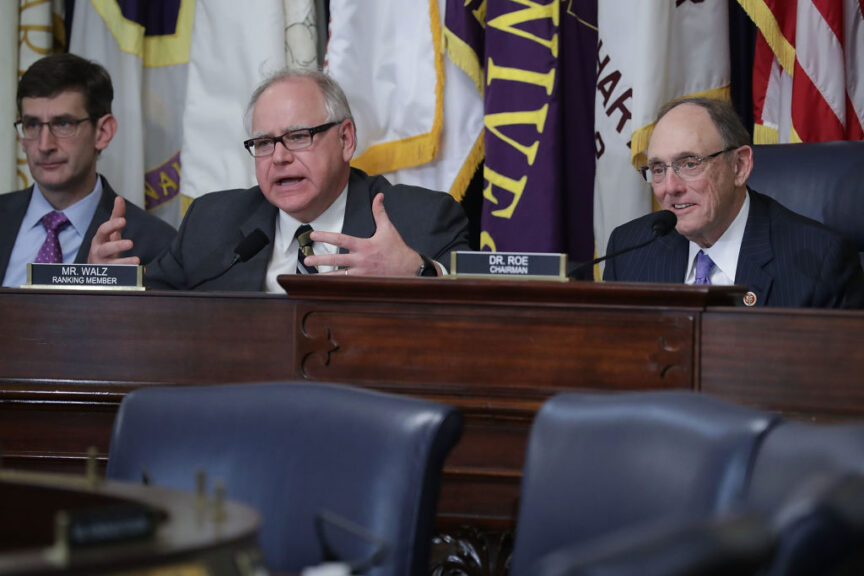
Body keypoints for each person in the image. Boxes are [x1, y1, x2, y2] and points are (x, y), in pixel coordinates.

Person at [90, 67, 471, 291]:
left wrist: (420, 273)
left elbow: (486, 308)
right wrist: (105, 283)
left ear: (346, 139)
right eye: (263, 142)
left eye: (298, 137)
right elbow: (152, 306)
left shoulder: (419, 217)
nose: (280, 157)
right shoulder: (213, 222)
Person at [603, 97, 864, 308]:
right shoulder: (628, 250)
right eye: (658, 169)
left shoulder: (818, 261)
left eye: (690, 164)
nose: (670, 188)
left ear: (739, 166)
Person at [0, 54, 176, 288]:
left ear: (103, 132)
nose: (44, 145)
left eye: (63, 124)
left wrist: (99, 295)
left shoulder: (155, 244)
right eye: (32, 125)